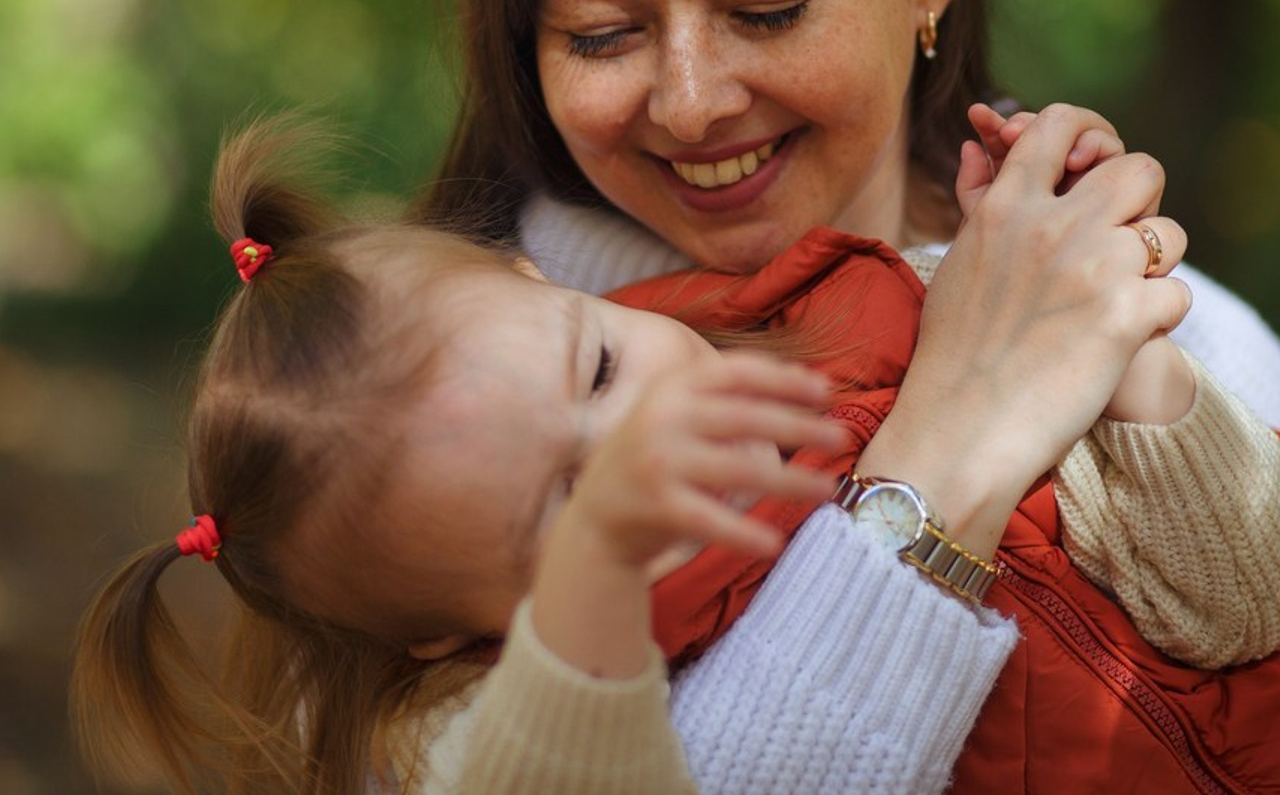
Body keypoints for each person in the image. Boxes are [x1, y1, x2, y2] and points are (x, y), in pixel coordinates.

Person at [408, 0, 1280, 779]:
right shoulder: (426, 413)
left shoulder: (1196, 331)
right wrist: (947, 450)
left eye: (766, 8)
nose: (689, 99)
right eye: (601, 31)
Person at [70, 119, 1280, 795]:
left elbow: (1239, 606)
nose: (633, 443)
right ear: (452, 634)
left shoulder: (871, 321)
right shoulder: (499, 728)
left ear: (541, 284)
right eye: (559, 502)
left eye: (595, 371)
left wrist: (1116, 345)